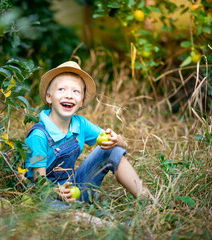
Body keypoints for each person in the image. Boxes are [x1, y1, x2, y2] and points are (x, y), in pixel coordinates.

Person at [24, 61, 152, 202]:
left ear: (82, 101)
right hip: (46, 197)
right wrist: (56, 191)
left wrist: (119, 141)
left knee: (112, 149)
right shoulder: (39, 135)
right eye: (61, 89)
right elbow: (39, 185)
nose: (69, 95)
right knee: (77, 216)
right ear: (49, 97)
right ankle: (93, 220)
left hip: (75, 190)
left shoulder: (80, 124)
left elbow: (115, 144)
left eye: (75, 91)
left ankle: (146, 199)